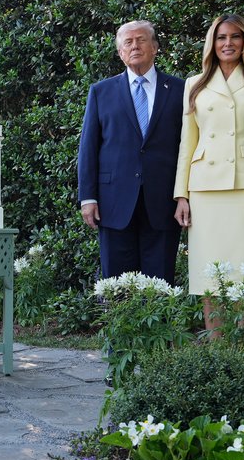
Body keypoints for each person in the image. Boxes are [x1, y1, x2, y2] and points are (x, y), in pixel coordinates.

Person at [173, 14, 244, 331]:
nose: (228, 43)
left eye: (235, 37)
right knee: (210, 275)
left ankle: (243, 354)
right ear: (212, 42)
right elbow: (187, 143)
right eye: (221, 37)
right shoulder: (194, 84)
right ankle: (217, 349)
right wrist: (181, 195)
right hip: (205, 189)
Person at [78, 20, 185, 285]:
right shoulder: (101, 92)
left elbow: (188, 146)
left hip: (163, 200)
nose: (135, 46)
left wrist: (185, 195)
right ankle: (119, 328)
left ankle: (158, 328)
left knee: (159, 284)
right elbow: (88, 147)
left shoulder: (181, 90)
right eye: (128, 42)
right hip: (113, 202)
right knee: (116, 285)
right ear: (120, 52)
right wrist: (87, 197)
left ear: (155, 47)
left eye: (141, 40)